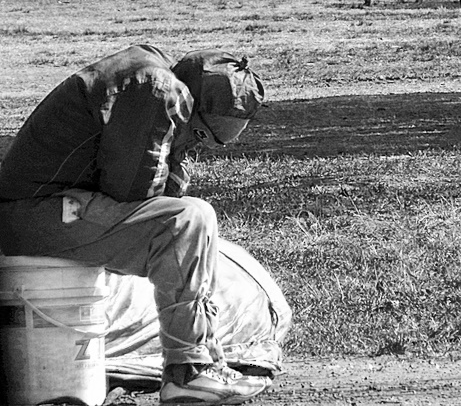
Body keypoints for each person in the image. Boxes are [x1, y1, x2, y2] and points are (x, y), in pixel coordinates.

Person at [0, 44, 270, 405]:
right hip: (31, 216)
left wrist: (176, 152)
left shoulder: (150, 77)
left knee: (191, 217)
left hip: (44, 211)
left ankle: (202, 362)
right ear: (196, 108)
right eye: (207, 134)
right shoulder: (155, 89)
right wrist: (177, 154)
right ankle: (187, 371)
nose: (205, 144)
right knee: (186, 221)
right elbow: (132, 192)